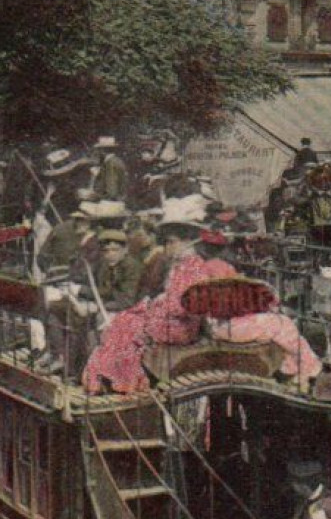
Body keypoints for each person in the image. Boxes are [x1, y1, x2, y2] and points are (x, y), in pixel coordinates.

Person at [81, 220, 236, 394]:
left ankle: (126, 383)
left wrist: (157, 306)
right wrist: (153, 305)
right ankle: (110, 377)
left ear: (187, 243)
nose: (167, 247)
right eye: (167, 242)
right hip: (169, 319)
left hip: (181, 325)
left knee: (130, 327)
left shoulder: (194, 267)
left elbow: (186, 305)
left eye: (171, 242)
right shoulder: (180, 266)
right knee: (122, 321)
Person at [92, 229, 144, 311]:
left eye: (115, 250)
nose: (110, 254)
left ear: (125, 250)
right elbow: (102, 289)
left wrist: (99, 307)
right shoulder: (105, 265)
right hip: (110, 307)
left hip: (132, 311)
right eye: (106, 251)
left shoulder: (131, 267)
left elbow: (127, 301)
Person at [92, 137, 129, 203]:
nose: (97, 152)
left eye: (99, 150)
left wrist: (95, 196)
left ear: (103, 151)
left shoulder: (110, 163)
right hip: (116, 199)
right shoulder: (115, 160)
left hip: (111, 201)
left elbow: (111, 189)